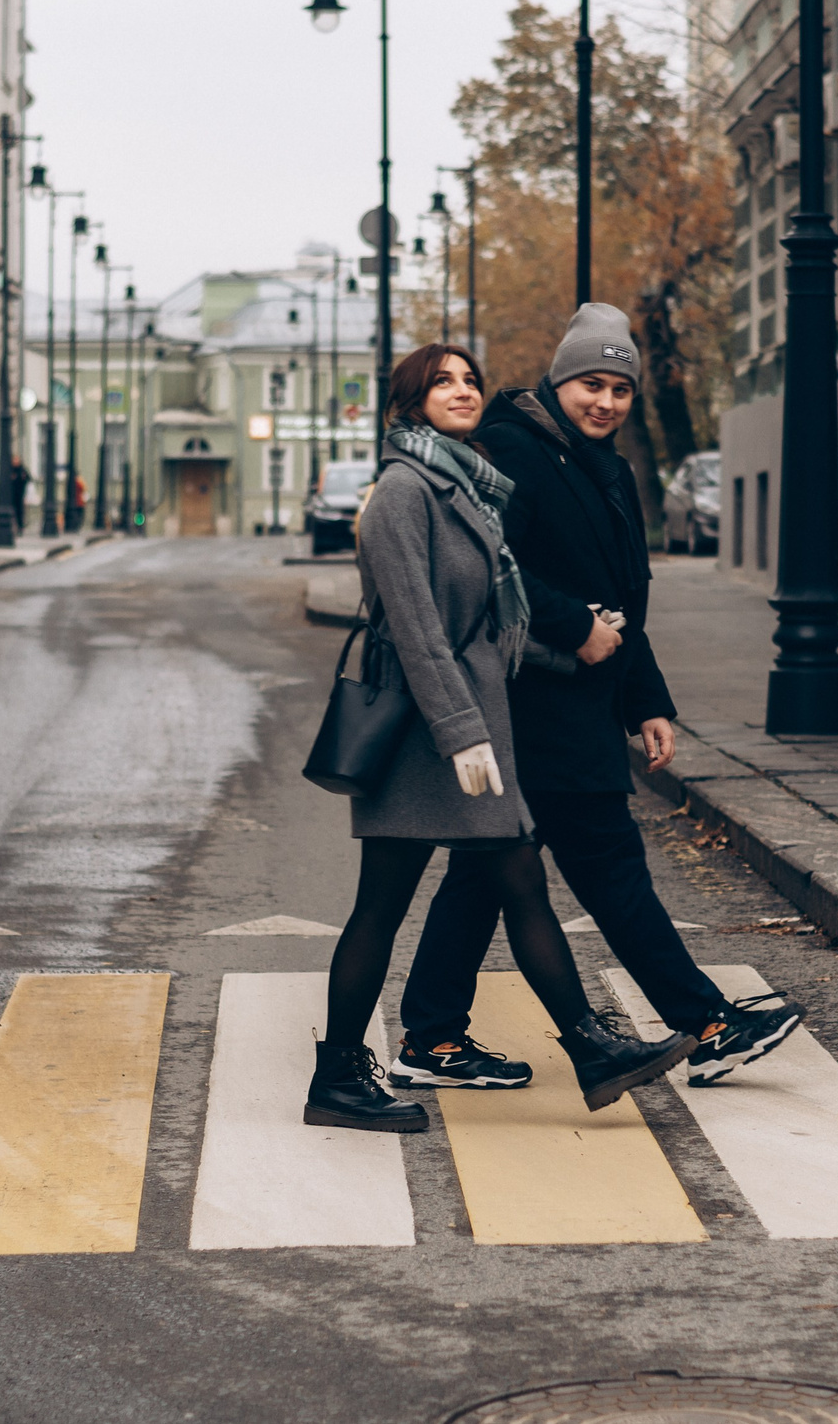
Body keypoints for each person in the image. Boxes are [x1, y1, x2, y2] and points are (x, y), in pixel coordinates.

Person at [392, 303, 806, 1093]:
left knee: (487, 877)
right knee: (605, 867)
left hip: (579, 703)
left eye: (620, 389)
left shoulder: (605, 466)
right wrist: (573, 622)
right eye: (592, 383)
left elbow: (624, 595)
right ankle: (706, 1022)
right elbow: (492, 564)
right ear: (560, 378)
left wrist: (646, 700)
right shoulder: (512, 450)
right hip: (531, 703)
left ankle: (432, 1036)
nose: (606, 402)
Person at [307, 342, 695, 1134]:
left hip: (468, 737)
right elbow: (416, 632)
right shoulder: (401, 494)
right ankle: (340, 1077)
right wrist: (459, 734)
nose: (462, 390)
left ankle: (589, 1049)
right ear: (408, 403)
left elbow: (489, 624)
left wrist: (575, 645)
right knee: (380, 909)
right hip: (428, 743)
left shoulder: (468, 490)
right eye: (441, 381)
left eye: (470, 379)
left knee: (519, 883)